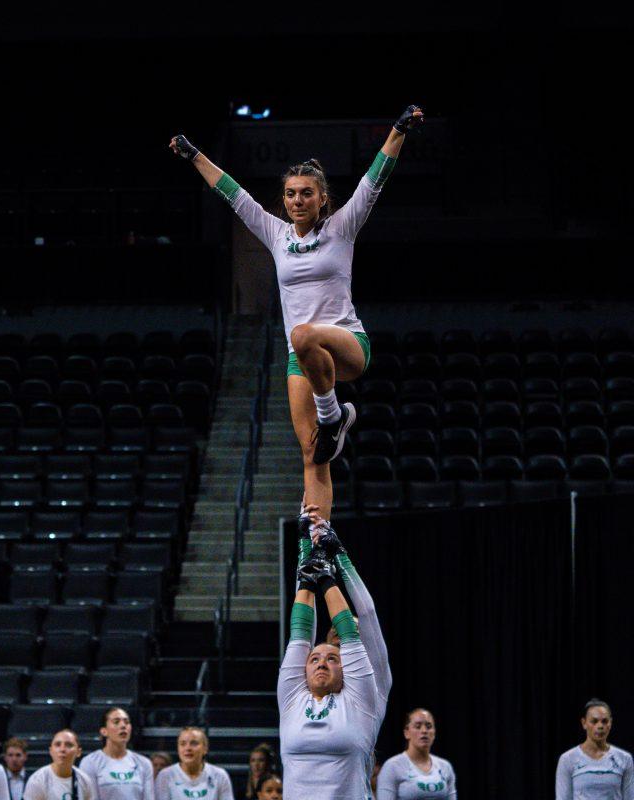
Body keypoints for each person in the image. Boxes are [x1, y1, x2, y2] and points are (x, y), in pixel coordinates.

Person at [170, 105, 424, 519]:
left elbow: (374, 181)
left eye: (307, 193)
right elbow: (233, 194)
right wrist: (194, 154)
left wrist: (398, 130)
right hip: (302, 362)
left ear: (323, 198)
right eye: (290, 193)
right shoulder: (275, 234)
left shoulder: (341, 228)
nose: (297, 200)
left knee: (303, 334)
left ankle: (334, 415)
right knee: (313, 454)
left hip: (345, 345)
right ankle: (318, 536)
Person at [276, 512, 387, 799]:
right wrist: (306, 551)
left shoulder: (365, 695)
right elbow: (300, 634)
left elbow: (366, 616)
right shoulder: (294, 698)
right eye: (315, 658)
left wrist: (332, 562)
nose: (323, 661)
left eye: (333, 658)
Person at [555, 699, 634, 799]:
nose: (600, 726)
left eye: (605, 721)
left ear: (610, 723)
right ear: (584, 723)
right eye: (594, 721)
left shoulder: (624, 759)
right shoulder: (568, 759)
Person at [376, 709, 455, 799]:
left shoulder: (445, 767)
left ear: (434, 733)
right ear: (406, 733)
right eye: (418, 726)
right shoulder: (392, 766)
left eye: (429, 726)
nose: (424, 731)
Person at [79, 707, 154, 799]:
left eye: (126, 722)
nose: (123, 726)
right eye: (116, 722)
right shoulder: (90, 762)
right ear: (104, 731)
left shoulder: (144, 763)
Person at [153, 728, 233, 800]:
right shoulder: (165, 776)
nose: (188, 748)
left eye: (194, 743)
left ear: (205, 749)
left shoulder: (220, 775)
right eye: (183, 744)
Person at [23, 730, 98, 800]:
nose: (62, 749)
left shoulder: (85, 780)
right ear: (51, 751)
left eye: (69, 745)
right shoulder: (37, 780)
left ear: (78, 752)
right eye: (57, 745)